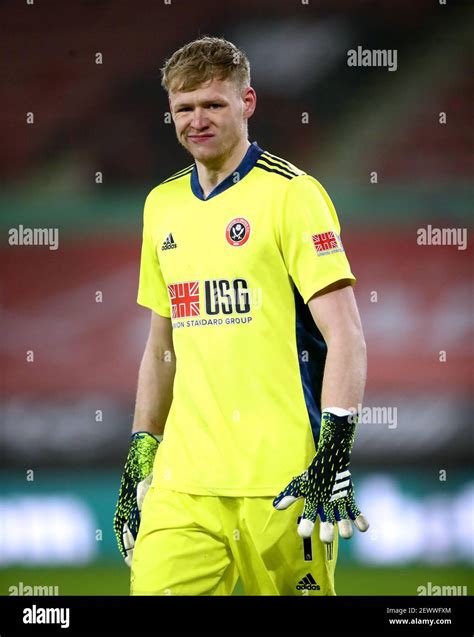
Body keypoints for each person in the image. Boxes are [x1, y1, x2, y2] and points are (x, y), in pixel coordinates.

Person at [113, 36, 369, 596]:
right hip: (185, 482)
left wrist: (335, 448)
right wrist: (141, 451)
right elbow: (162, 347)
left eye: (212, 105)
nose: (196, 120)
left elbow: (346, 334)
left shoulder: (292, 195)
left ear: (247, 103)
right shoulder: (161, 206)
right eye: (184, 108)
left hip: (283, 482)